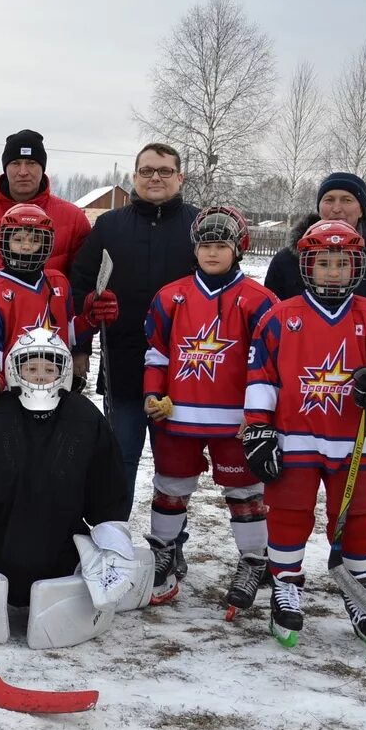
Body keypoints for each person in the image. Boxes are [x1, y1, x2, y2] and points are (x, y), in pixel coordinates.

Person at [0, 329, 154, 649]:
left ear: (62, 371)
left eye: (49, 368)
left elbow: (107, 493)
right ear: (14, 370)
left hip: (62, 559)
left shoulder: (85, 418)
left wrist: (112, 546)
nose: (40, 376)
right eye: (31, 368)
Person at [244, 220, 366, 652]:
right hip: (295, 438)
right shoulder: (280, 317)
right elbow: (261, 377)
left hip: (354, 441)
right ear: (308, 266)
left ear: (356, 265)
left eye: (343, 263)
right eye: (324, 263)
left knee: (358, 518)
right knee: (288, 514)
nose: (333, 271)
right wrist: (258, 429)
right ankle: (286, 585)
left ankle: (358, 589)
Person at [262, 172, 366, 579]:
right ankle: (282, 566)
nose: (337, 207)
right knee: (292, 494)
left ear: (362, 206)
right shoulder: (289, 259)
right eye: (329, 199)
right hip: (300, 404)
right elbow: (272, 325)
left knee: (359, 495)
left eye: (346, 200)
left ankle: (357, 568)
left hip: (359, 400)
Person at [142, 208, 278, 612]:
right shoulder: (170, 295)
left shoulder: (259, 300)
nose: (213, 253)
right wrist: (153, 395)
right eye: (205, 244)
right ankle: (163, 551)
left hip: (235, 421)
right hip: (178, 415)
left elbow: (266, 367)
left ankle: (254, 560)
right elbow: (156, 353)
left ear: (239, 248)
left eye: (222, 245)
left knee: (244, 492)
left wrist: (258, 417)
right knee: (170, 487)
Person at [69, 142, 199, 515]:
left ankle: (168, 544)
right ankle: (114, 538)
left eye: (164, 171)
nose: (155, 178)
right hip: (122, 364)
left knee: (174, 467)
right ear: (134, 176)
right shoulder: (111, 226)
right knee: (119, 459)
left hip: (183, 369)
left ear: (180, 176)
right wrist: (86, 328)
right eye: (146, 171)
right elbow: (81, 285)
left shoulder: (197, 225)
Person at [0, 205, 76, 409]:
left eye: (35, 240)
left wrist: (92, 317)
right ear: (5, 241)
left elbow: (71, 334)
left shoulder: (59, 283)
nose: (26, 246)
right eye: (18, 239)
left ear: (46, 244)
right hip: (11, 396)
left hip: (56, 391)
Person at [0, 129, 91, 284]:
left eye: (31, 163)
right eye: (15, 163)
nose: (23, 171)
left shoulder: (74, 219)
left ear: (43, 168)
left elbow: (82, 285)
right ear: (5, 168)